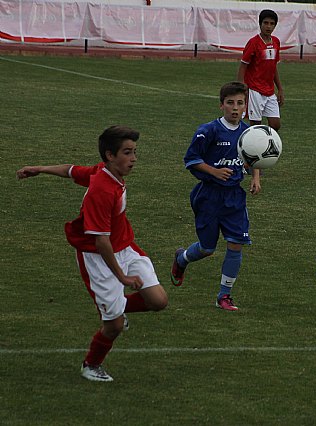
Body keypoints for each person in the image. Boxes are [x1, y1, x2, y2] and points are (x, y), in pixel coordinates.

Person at [16, 126, 169, 382]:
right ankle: (91, 364)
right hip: (98, 258)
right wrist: (122, 278)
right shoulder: (102, 190)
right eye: (127, 153)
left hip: (125, 248)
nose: (134, 159)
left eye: (135, 152)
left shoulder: (104, 171)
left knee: (158, 301)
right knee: (114, 326)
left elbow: (71, 170)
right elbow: (101, 242)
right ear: (110, 155)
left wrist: (39, 168)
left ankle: (116, 308)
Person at [171, 81, 261, 312]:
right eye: (230, 103)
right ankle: (182, 259)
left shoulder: (248, 133)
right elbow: (191, 160)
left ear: (245, 107)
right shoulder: (207, 131)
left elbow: (254, 158)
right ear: (221, 105)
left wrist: (255, 177)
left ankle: (224, 295)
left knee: (236, 244)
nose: (235, 108)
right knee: (207, 248)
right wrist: (214, 171)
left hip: (234, 198)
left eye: (240, 103)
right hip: (208, 196)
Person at [237, 9, 284, 131]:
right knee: (255, 125)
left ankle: (265, 145)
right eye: (266, 23)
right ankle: (251, 146)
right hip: (254, 89)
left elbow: (274, 67)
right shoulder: (253, 42)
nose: (268, 26)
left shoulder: (276, 42)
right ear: (260, 24)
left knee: (275, 124)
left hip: (269, 90)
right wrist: (241, 88)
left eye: (272, 23)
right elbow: (243, 65)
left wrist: (280, 89)